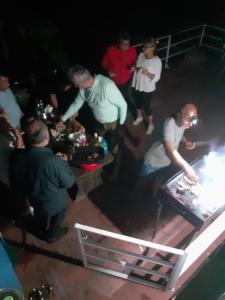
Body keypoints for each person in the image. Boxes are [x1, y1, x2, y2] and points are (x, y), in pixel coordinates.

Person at [56, 65, 128, 178]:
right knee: (98, 145)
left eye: (75, 83)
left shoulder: (106, 86)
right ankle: (101, 165)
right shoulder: (83, 89)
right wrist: (62, 119)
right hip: (98, 122)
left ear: (83, 81)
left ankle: (115, 171)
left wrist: (121, 124)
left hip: (114, 123)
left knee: (115, 148)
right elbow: (76, 104)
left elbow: (123, 105)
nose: (74, 86)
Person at [11, 120, 75, 243]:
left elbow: (18, 156)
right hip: (55, 202)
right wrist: (65, 163)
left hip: (34, 199)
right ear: (46, 137)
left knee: (40, 216)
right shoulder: (53, 161)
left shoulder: (17, 156)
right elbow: (69, 182)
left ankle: (39, 227)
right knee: (58, 215)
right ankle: (51, 235)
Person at [140, 103, 199, 183]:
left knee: (154, 181)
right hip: (152, 163)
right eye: (189, 119)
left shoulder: (183, 122)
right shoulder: (169, 124)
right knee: (142, 183)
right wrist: (187, 168)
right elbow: (170, 150)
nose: (191, 124)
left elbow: (180, 133)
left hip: (166, 162)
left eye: (194, 120)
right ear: (179, 114)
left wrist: (185, 141)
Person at [132, 38, 162, 135]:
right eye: (143, 46)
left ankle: (151, 124)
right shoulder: (141, 55)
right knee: (137, 103)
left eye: (145, 47)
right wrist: (134, 68)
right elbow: (138, 67)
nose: (143, 49)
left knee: (146, 106)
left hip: (147, 88)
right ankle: (140, 117)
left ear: (152, 48)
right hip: (137, 84)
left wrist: (147, 73)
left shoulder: (157, 61)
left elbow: (157, 78)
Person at [101, 32, 137, 103]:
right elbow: (104, 63)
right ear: (118, 43)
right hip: (112, 81)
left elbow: (135, 62)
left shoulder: (132, 50)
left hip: (126, 81)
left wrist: (133, 67)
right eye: (123, 44)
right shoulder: (110, 50)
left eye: (128, 44)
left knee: (122, 96)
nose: (126, 46)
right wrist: (108, 70)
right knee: (112, 97)